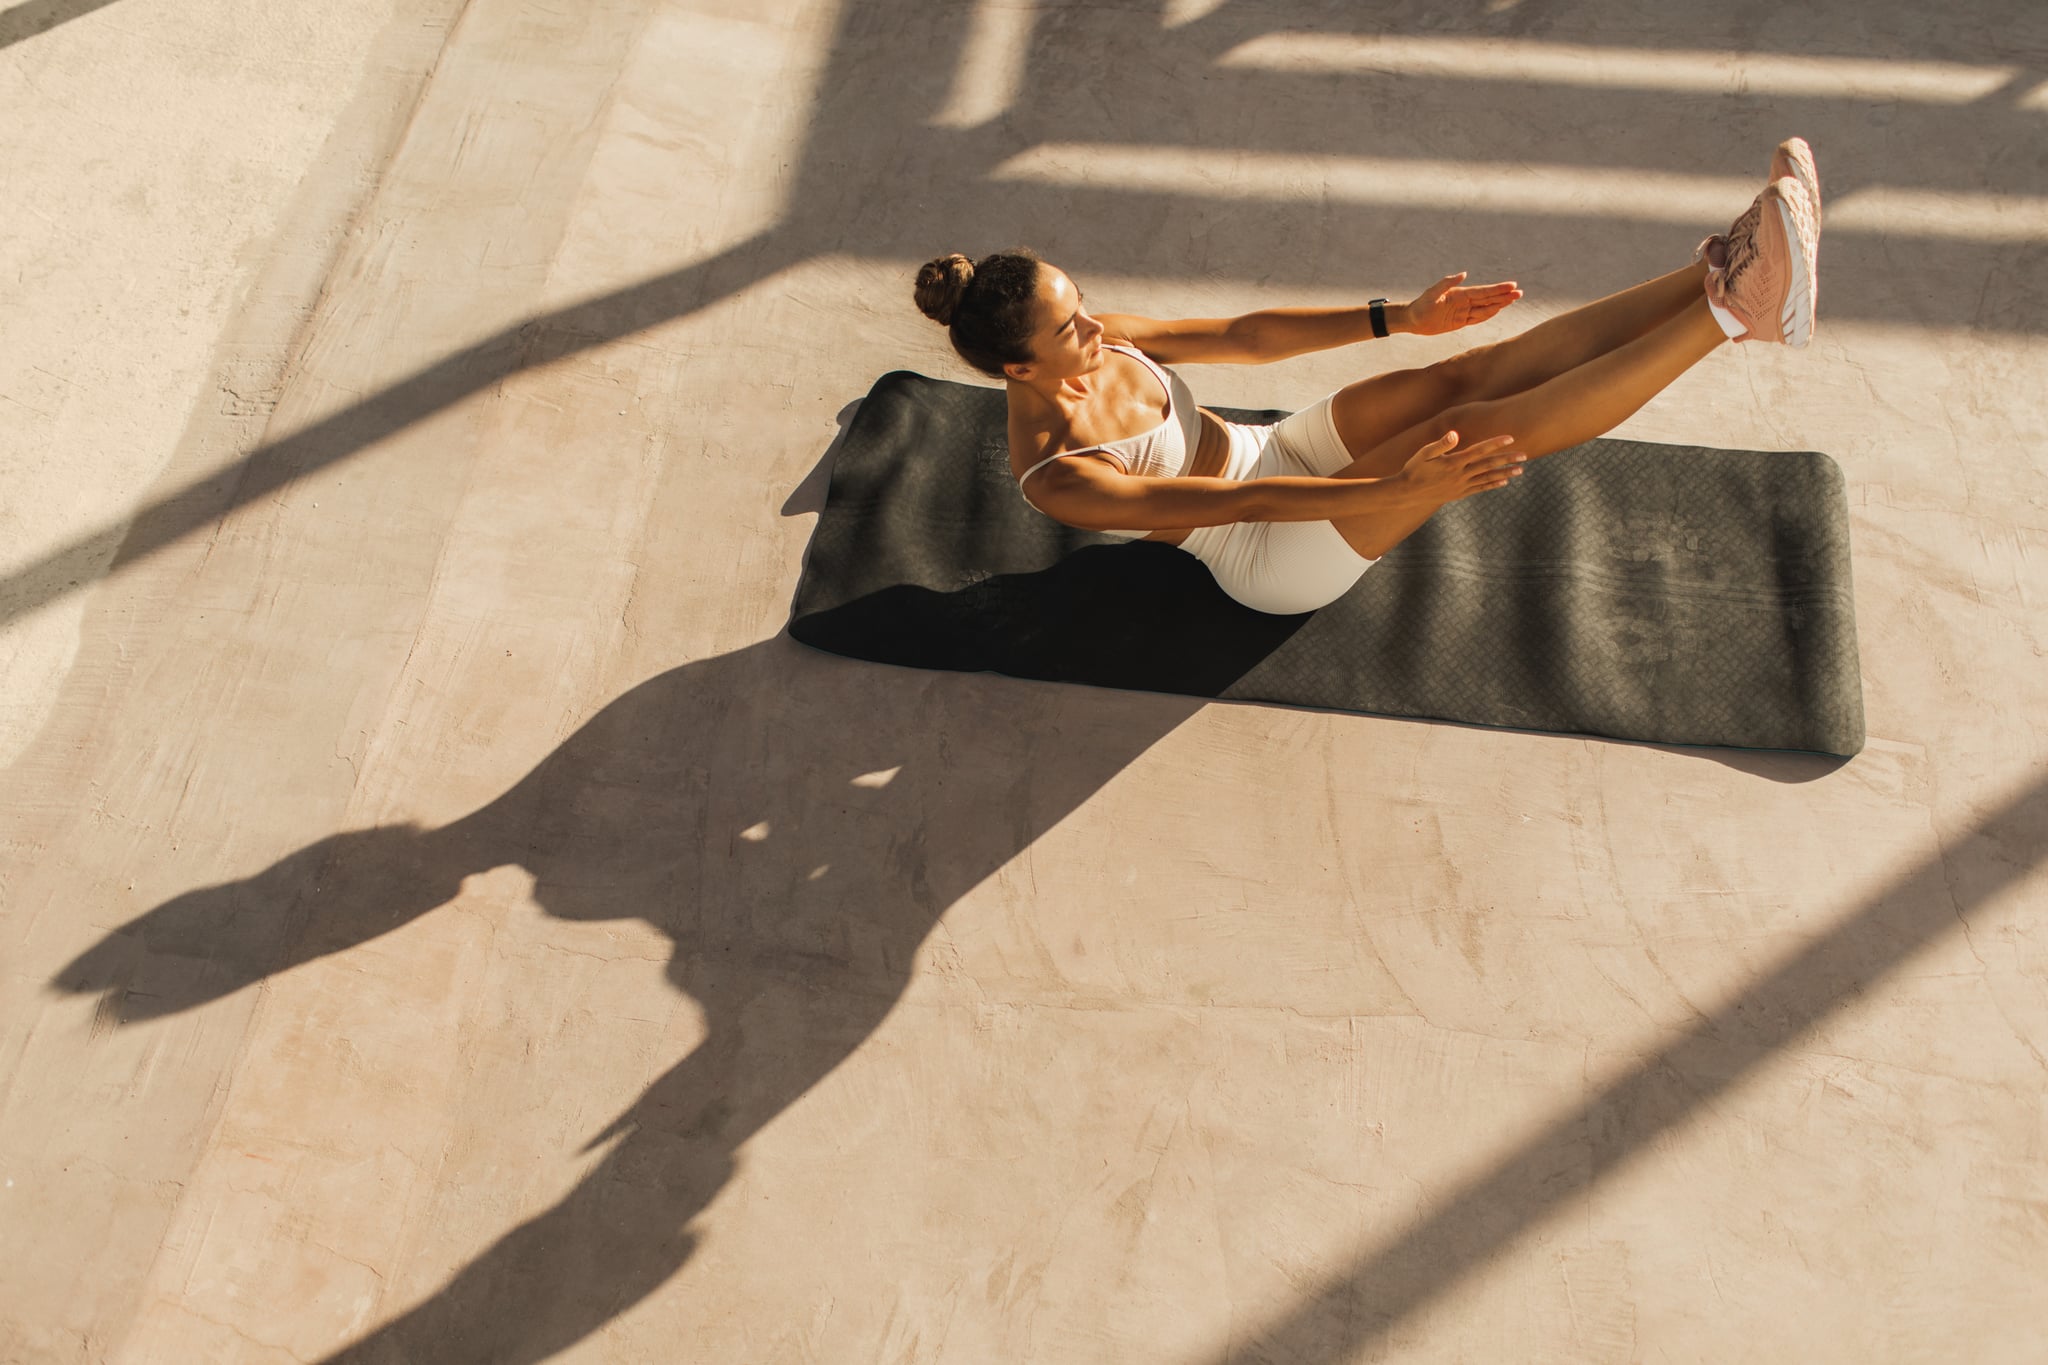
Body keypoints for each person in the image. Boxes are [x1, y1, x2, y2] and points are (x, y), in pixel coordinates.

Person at [912, 139, 1822, 615]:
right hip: (1267, 556)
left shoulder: (1099, 338)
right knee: (1465, 435)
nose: (1097, 325)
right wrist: (1400, 485)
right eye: (1071, 326)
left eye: (1082, 302)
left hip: (1276, 448)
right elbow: (1241, 509)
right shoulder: (1059, 474)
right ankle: (1735, 314)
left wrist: (1400, 318)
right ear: (1023, 366)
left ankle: (1729, 265)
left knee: (1465, 376)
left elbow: (1243, 333)